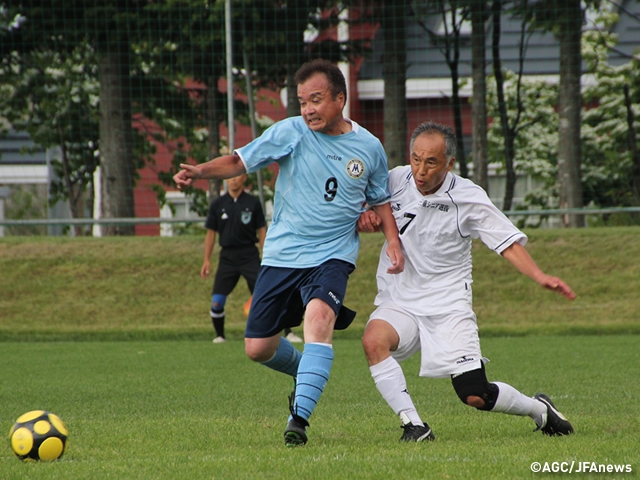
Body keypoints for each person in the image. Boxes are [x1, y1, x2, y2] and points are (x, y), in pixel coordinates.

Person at [174, 59, 404, 447]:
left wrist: (392, 239)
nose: (308, 109)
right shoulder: (291, 133)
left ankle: (298, 419)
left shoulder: (368, 147)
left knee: (318, 319)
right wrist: (199, 171)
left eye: (316, 99)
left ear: (340, 99)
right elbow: (237, 161)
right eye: (302, 102)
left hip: (333, 256)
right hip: (282, 256)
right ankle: (308, 373)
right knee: (257, 347)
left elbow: (380, 199)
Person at [358, 121, 576, 443]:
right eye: (416, 159)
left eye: (431, 162)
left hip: (448, 304)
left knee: (475, 394)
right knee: (373, 341)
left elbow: (507, 243)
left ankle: (539, 410)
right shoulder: (393, 180)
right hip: (401, 298)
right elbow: (370, 214)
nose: (420, 170)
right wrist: (366, 219)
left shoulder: (468, 197)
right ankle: (414, 426)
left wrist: (540, 276)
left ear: (449, 164)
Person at [201, 173, 302, 344]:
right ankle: (220, 336)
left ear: (243, 179)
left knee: (270, 294)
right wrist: (206, 259)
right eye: (230, 177)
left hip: (249, 255)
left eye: (236, 176)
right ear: (226, 180)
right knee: (217, 302)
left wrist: (267, 254)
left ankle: (288, 332)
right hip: (227, 257)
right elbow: (211, 233)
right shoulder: (218, 204)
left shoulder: (252, 203)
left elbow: (262, 230)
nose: (233, 179)